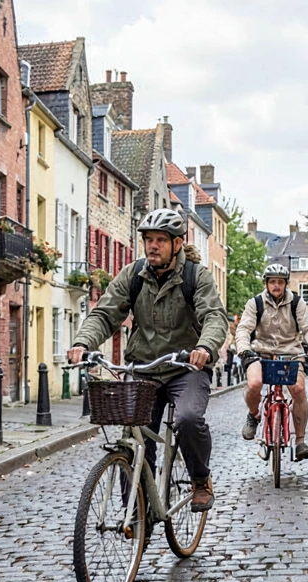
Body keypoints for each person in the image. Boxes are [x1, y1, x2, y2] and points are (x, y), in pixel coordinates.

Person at [67, 208, 229, 512]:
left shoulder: (197, 277)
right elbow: (105, 314)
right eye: (148, 240)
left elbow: (214, 317)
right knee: (135, 434)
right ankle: (138, 511)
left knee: (188, 419)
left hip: (187, 367)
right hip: (144, 367)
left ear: (177, 244)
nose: (152, 246)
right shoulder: (133, 274)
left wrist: (205, 346)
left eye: (160, 241)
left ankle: (200, 479)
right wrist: (82, 342)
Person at [236, 264, 308, 459]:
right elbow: (243, 329)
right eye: (272, 281)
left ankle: (300, 441)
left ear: (286, 284)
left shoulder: (296, 303)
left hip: (291, 353)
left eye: (280, 282)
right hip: (260, 352)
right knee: (254, 383)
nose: (276, 286)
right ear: (266, 283)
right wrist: (244, 349)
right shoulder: (255, 303)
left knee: (298, 390)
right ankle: (253, 414)